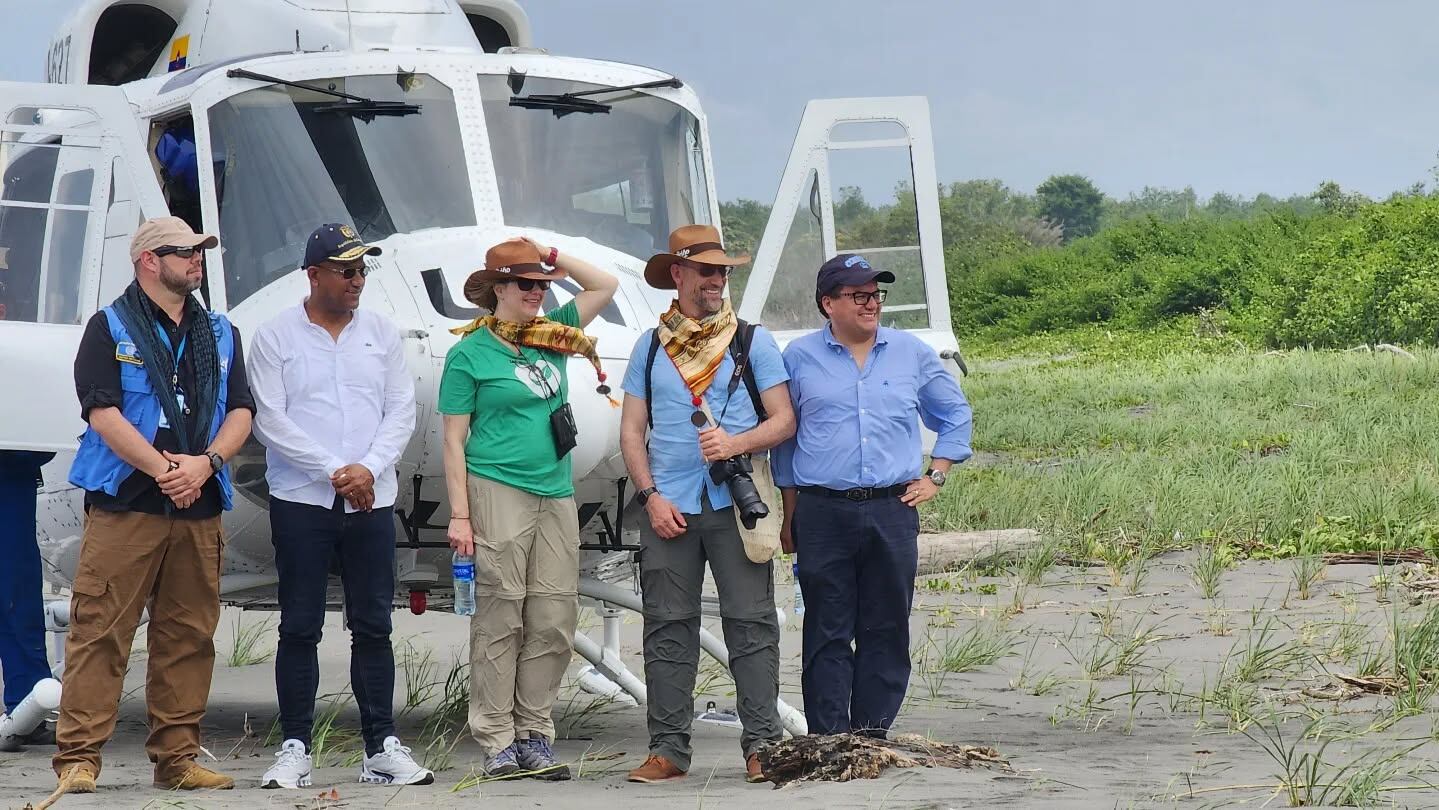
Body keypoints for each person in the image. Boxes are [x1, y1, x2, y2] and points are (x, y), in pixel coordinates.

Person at [52, 217, 255, 796]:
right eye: (185, 252)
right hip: (127, 502)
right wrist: (166, 469)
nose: (197, 260)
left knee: (189, 634)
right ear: (148, 260)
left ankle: (178, 758)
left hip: (199, 501)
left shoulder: (219, 331)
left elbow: (241, 409)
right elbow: (103, 412)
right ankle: (79, 757)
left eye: (199, 251)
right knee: (101, 631)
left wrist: (205, 464)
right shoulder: (108, 326)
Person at [247, 224, 428, 789]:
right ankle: (296, 747)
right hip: (303, 498)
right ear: (314, 274)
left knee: (373, 624)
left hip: (372, 500)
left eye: (361, 271)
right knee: (299, 624)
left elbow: (402, 409)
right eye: (345, 271)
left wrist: (368, 469)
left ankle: (381, 747)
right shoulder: (275, 335)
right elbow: (270, 418)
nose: (356, 281)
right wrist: (335, 471)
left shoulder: (382, 332)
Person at [618, 224, 796, 784]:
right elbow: (631, 431)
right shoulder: (649, 347)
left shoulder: (751, 340)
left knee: (752, 625)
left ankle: (763, 746)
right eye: (707, 271)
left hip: (737, 504)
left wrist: (735, 444)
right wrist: (649, 498)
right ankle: (667, 750)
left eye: (723, 271)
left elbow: (784, 419)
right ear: (678, 275)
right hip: (669, 506)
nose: (718, 280)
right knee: (665, 627)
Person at [439, 236, 618, 779]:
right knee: (501, 612)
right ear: (498, 289)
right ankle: (496, 737)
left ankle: (534, 731)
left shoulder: (555, 334)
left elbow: (603, 286)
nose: (538, 292)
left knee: (553, 614)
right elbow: (453, 439)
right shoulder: (469, 353)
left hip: (555, 490)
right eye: (526, 283)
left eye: (542, 284)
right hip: (496, 487)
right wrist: (461, 514)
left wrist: (553, 256)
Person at [773, 254, 972, 738]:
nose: (872, 304)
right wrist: (789, 517)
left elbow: (955, 415)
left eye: (876, 295)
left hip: (892, 508)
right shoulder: (798, 357)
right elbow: (786, 441)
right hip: (822, 510)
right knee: (826, 627)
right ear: (828, 303)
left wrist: (936, 475)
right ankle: (828, 738)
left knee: (886, 626)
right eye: (859, 295)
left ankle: (870, 735)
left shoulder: (912, 353)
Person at [0, 273, 57, 752]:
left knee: (17, 594)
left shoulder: (19, 354)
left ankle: (26, 697)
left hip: (10, 479)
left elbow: (43, 434)